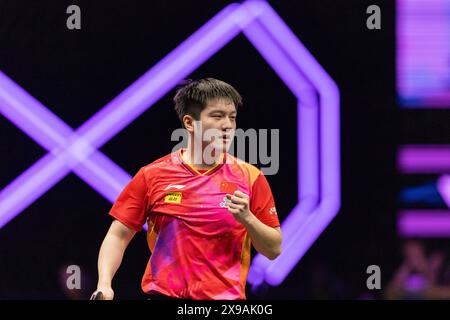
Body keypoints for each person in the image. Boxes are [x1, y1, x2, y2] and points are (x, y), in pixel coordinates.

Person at [93, 78, 282, 300]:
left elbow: (274, 249)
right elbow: (118, 235)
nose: (228, 125)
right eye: (217, 116)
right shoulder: (152, 175)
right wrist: (104, 283)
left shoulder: (251, 178)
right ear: (190, 123)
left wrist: (248, 219)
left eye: (232, 117)